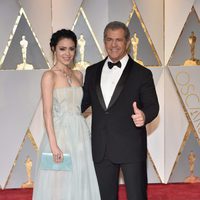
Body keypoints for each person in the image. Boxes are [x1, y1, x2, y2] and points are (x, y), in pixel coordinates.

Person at [82, 21, 159, 200]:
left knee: (136, 196)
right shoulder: (92, 71)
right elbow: (82, 103)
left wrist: (144, 116)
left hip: (130, 147)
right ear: (104, 41)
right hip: (102, 148)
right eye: (109, 39)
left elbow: (153, 106)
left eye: (118, 40)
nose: (113, 45)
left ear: (127, 42)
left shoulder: (142, 73)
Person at [32, 29, 100, 200]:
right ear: (53, 49)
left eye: (71, 49)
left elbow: (79, 107)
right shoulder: (48, 76)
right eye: (62, 49)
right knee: (59, 182)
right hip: (60, 135)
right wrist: (54, 145)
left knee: (80, 178)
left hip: (80, 135)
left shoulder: (78, 75)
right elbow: (47, 113)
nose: (67, 53)